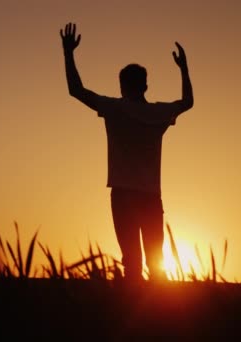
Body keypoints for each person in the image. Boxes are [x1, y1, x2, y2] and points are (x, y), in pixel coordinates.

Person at [59, 22, 194, 281]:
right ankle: (161, 318)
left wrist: (68, 53)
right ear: (146, 86)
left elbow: (76, 90)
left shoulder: (115, 109)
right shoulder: (158, 113)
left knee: (131, 262)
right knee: (157, 264)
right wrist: (184, 69)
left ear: (122, 86)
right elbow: (188, 102)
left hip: (122, 195)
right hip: (151, 196)